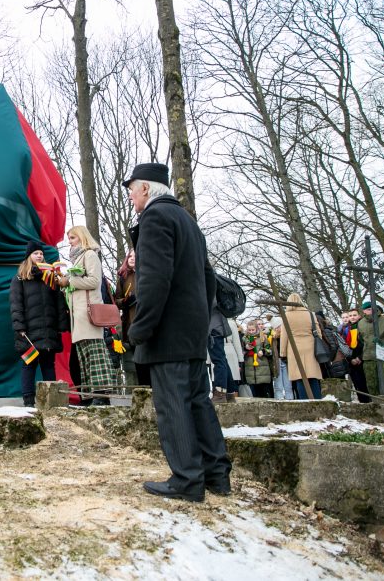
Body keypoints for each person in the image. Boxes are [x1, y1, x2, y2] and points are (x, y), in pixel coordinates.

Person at [123, 163, 231, 503]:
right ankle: (216, 475)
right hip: (192, 330)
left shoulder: (155, 219)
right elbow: (209, 278)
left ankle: (186, 479)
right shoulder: (187, 220)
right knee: (198, 400)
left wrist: (140, 328)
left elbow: (155, 281)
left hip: (168, 332)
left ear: (145, 188)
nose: (129, 196)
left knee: (172, 404)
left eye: (131, 189)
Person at [10, 241, 70, 407]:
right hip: (28, 331)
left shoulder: (50, 278)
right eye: (36, 253)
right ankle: (28, 401)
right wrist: (19, 327)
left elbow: (59, 302)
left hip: (48, 329)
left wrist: (61, 325)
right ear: (29, 256)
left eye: (41, 254)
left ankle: (51, 401)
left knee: (48, 365)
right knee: (29, 364)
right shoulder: (20, 278)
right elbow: (16, 305)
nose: (40, 256)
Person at [60, 225, 115, 405]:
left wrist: (70, 281)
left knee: (96, 357)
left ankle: (101, 396)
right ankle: (93, 396)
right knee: (85, 359)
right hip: (79, 316)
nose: (70, 242)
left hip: (89, 314)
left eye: (73, 238)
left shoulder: (90, 255)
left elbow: (94, 280)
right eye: (69, 239)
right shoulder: (77, 260)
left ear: (82, 238)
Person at [278, 293, 324, 399]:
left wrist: (282, 353)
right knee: (313, 377)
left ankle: (304, 402)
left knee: (300, 377)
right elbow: (318, 332)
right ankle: (317, 401)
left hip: (294, 348)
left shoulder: (287, 316)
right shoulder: (310, 314)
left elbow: (284, 336)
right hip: (311, 346)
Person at [116, 250, 149, 387]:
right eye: (130, 255)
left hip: (147, 320)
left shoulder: (147, 273)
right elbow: (116, 300)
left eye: (135, 256)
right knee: (137, 358)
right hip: (131, 322)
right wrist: (126, 300)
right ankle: (143, 390)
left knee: (148, 356)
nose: (132, 258)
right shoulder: (123, 277)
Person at [357, 301, 384, 397]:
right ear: (364, 311)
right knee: (371, 383)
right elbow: (361, 339)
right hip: (369, 356)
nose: (370, 311)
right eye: (367, 309)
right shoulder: (360, 323)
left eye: (371, 308)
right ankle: (376, 404)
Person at [340, 308, 370, 403]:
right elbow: (345, 346)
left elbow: (366, 344)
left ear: (359, 316)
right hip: (351, 360)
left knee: (367, 384)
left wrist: (359, 357)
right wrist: (350, 359)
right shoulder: (346, 329)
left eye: (354, 315)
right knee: (358, 385)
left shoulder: (363, 326)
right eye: (350, 316)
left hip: (363, 358)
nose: (352, 317)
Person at [241, 319, 274, 398]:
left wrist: (263, 351)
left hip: (262, 369)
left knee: (264, 394)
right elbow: (241, 351)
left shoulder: (262, 337)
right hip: (250, 370)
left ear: (256, 329)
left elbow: (269, 350)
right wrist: (246, 349)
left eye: (253, 330)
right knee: (254, 395)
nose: (251, 332)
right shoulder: (244, 339)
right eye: (249, 330)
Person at [270, 324, 293, 400]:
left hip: (286, 361)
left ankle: (290, 401)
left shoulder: (286, 336)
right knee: (278, 386)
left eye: (280, 326)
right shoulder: (271, 337)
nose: (278, 328)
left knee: (288, 386)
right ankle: (279, 402)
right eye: (277, 326)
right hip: (276, 363)